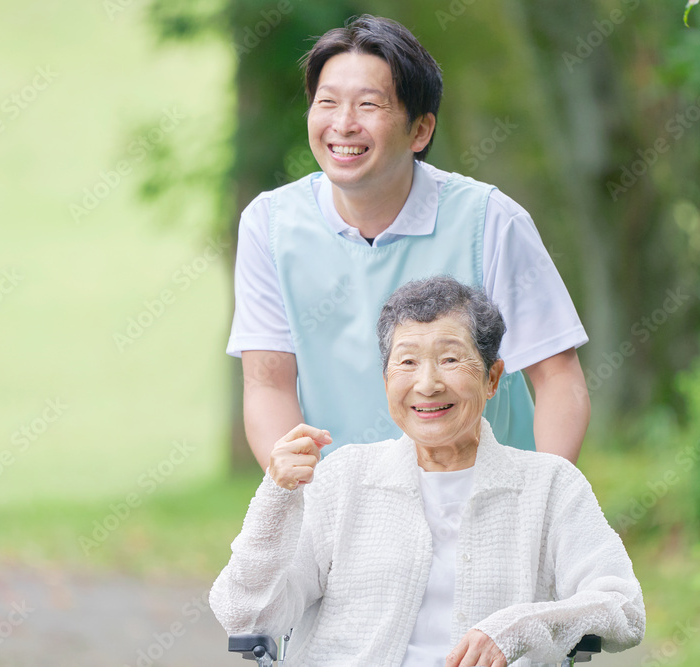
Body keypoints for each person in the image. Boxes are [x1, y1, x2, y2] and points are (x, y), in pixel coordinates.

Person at [211, 276, 644, 667]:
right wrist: (277, 495)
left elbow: (623, 607)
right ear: (386, 381)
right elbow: (246, 616)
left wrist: (518, 627)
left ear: (492, 379)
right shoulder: (342, 479)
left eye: (451, 359)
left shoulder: (548, 485)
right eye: (407, 362)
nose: (428, 383)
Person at [229, 15, 591, 467]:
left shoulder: (490, 221)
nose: (343, 124)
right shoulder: (269, 224)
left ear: (420, 130)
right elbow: (268, 383)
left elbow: (558, 377)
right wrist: (303, 494)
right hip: (347, 507)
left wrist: (543, 500)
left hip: (489, 502)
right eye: (327, 102)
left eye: (368, 105)